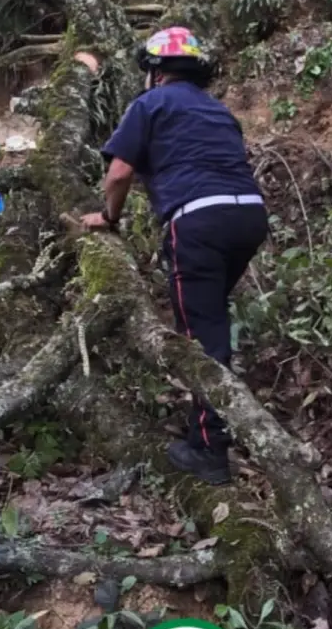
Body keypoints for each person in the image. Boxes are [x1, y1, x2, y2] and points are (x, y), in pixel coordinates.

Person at [78, 26, 269, 486]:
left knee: (201, 339)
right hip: (249, 216)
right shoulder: (220, 111)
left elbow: (120, 172)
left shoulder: (151, 103)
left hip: (198, 222)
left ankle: (208, 450)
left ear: (156, 73)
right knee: (211, 319)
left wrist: (108, 217)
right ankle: (215, 421)